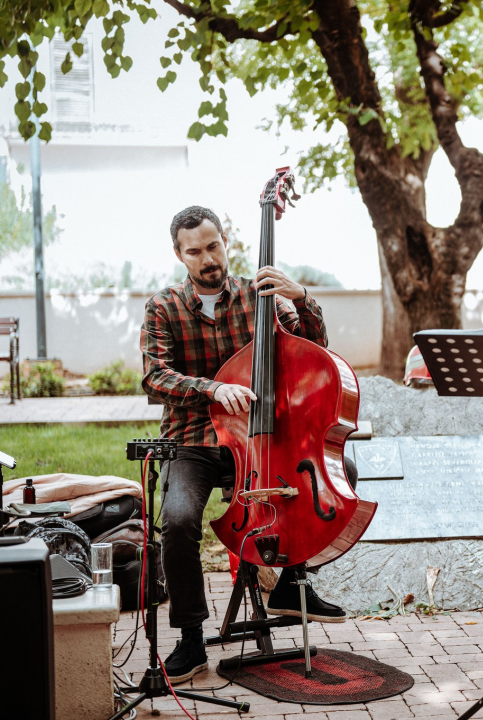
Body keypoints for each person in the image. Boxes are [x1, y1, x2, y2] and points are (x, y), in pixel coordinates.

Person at [142, 206, 349, 682]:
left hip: (259, 441)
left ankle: (291, 583)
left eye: (213, 246)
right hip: (195, 440)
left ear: (225, 242)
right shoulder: (163, 306)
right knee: (176, 521)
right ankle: (191, 639)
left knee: (325, 484)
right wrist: (211, 388)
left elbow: (315, 352)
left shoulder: (261, 299)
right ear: (180, 254)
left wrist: (304, 298)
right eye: (194, 251)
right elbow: (154, 377)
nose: (206, 258)